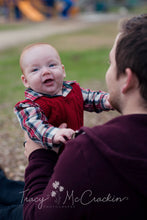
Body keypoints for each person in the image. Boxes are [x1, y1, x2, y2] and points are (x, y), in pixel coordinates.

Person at [23, 14, 147, 219]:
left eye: (110, 62)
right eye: (36, 69)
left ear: (128, 80)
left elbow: (37, 215)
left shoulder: (90, 151)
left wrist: (38, 155)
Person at [14, 43, 112, 149]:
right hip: (51, 156)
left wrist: (107, 100)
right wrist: (55, 134)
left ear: (63, 70)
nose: (46, 72)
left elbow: (91, 98)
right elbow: (36, 127)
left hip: (77, 147)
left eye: (51, 65)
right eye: (35, 70)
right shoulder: (30, 106)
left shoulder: (72, 91)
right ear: (26, 81)